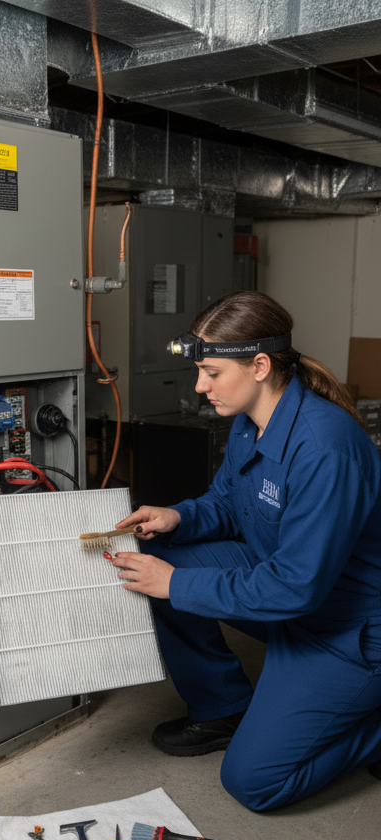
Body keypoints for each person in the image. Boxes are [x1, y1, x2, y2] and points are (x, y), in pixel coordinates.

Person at [110, 290, 381, 811]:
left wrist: (176, 584)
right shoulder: (250, 421)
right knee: (159, 566)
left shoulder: (325, 447)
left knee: (253, 782)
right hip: (288, 591)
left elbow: (296, 586)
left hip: (346, 630)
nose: (200, 386)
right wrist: (178, 517)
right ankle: (223, 708)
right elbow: (230, 503)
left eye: (211, 372)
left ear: (259, 366)